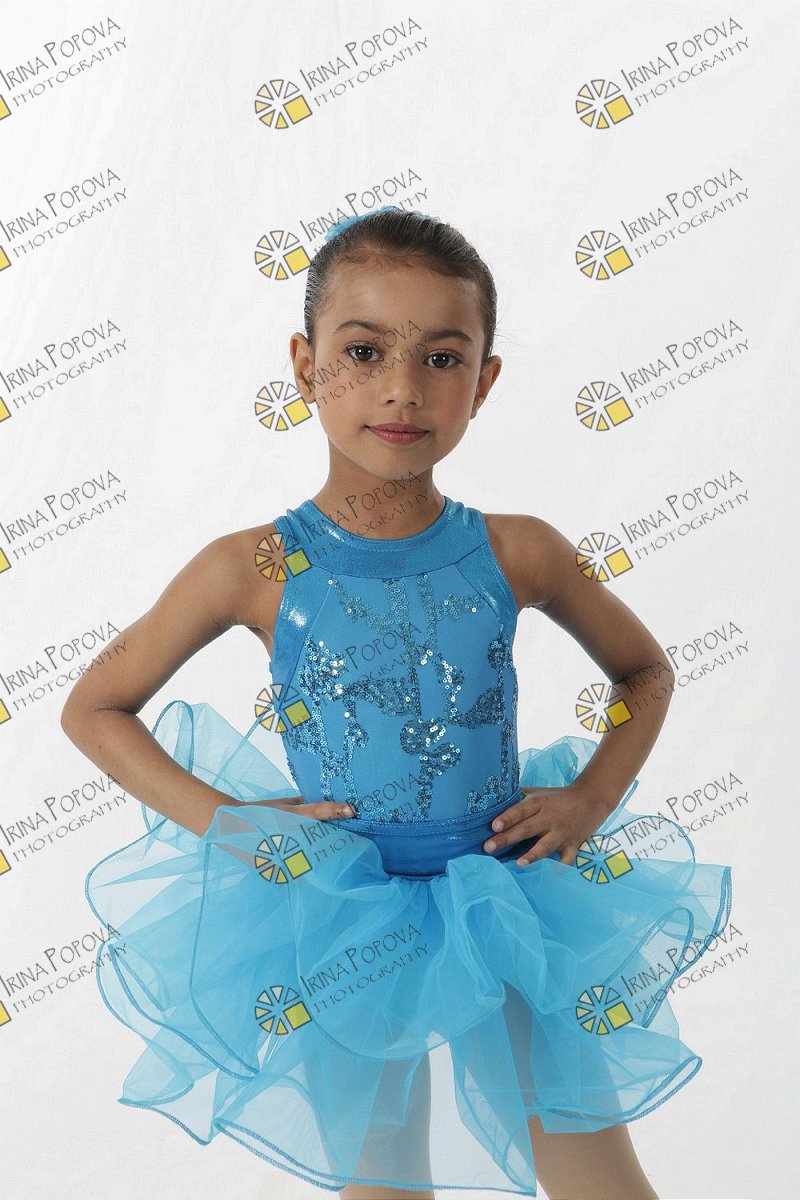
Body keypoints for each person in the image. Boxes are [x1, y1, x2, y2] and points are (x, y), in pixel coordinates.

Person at [62, 207, 732, 1200]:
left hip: (510, 896)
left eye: (441, 358)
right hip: (344, 917)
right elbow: (95, 707)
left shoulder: (517, 549)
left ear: (484, 382)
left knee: (599, 1177)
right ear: (305, 366)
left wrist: (591, 798)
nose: (401, 389)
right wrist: (231, 824)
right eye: (365, 351)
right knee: (382, 1182)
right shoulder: (252, 567)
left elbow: (644, 673)